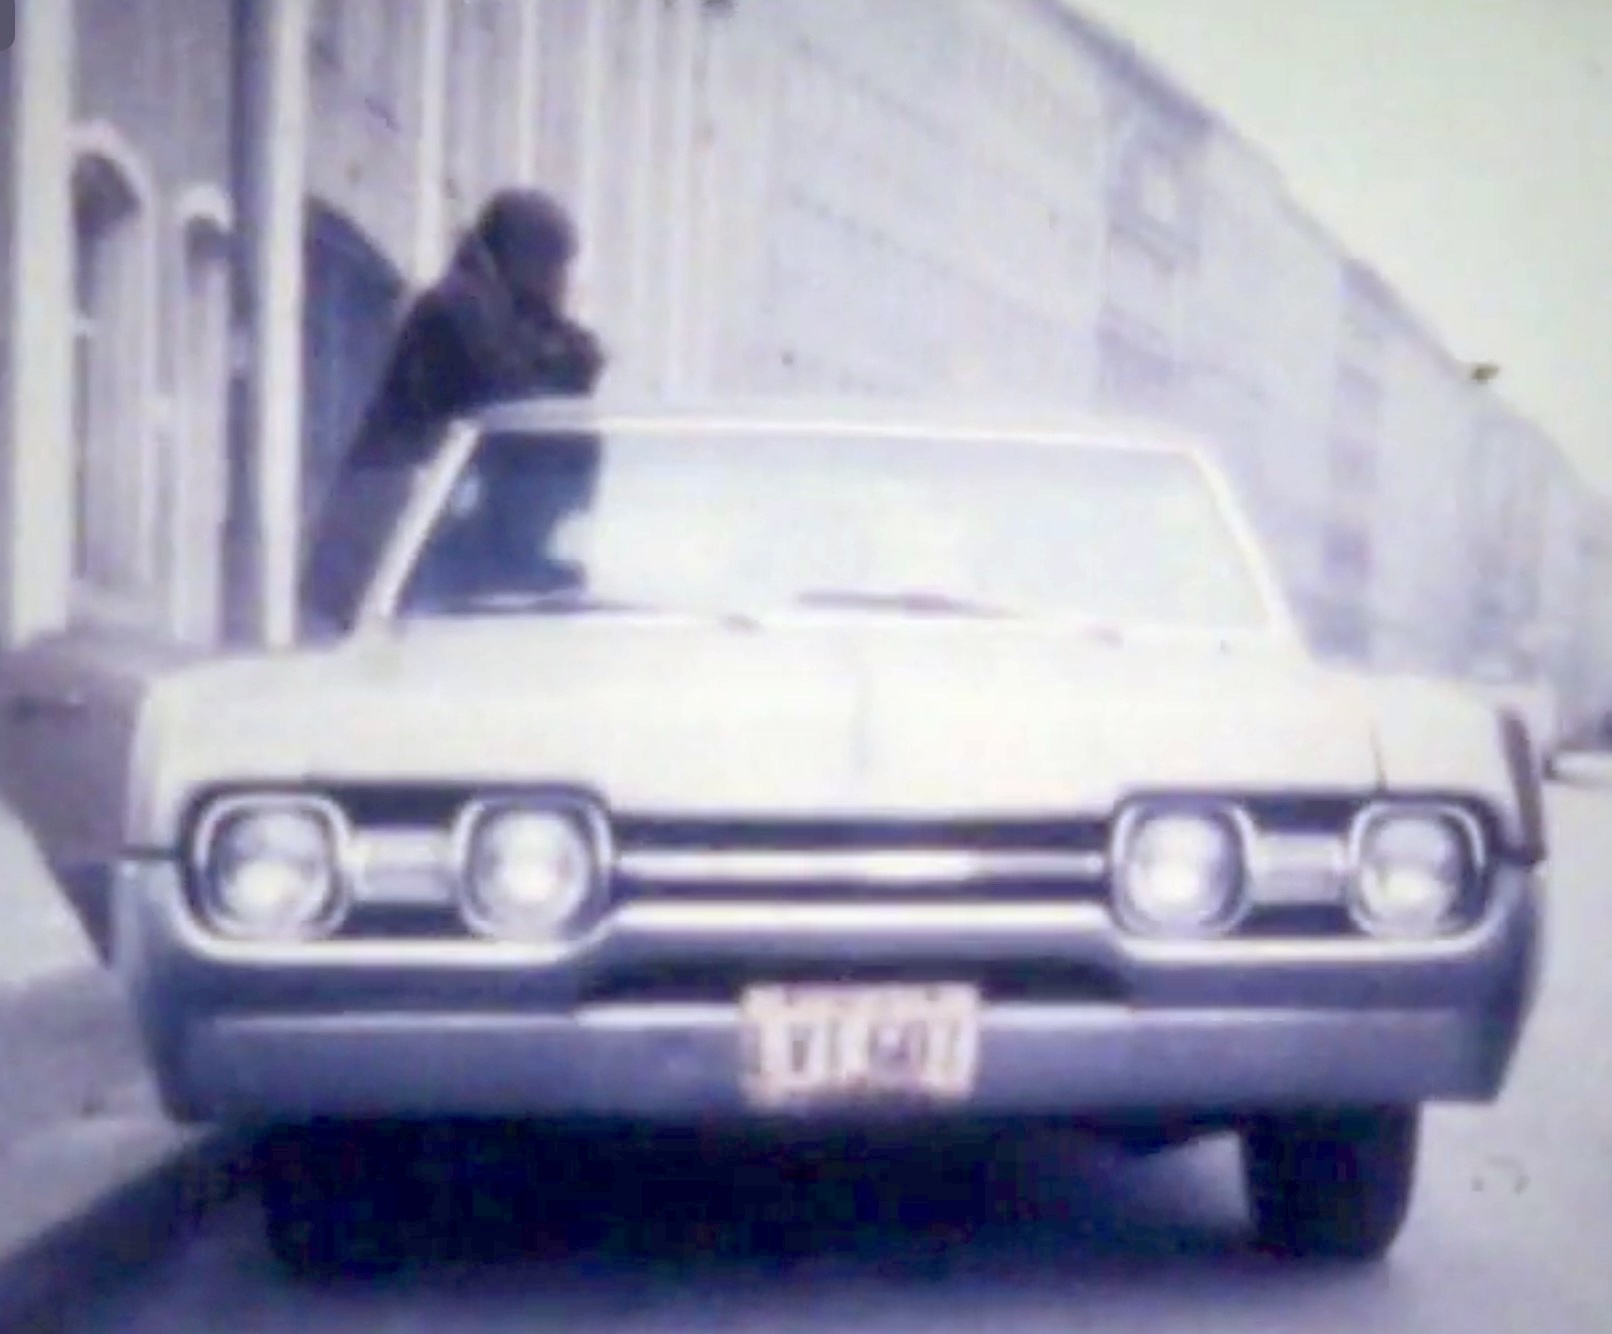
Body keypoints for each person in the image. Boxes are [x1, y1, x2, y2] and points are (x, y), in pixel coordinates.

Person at [300, 188, 606, 634]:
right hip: (397, 530)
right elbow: (504, 387)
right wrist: (567, 360)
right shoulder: (456, 307)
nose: (562, 281)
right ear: (525, 258)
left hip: (454, 527)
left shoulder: (512, 314)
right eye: (554, 265)